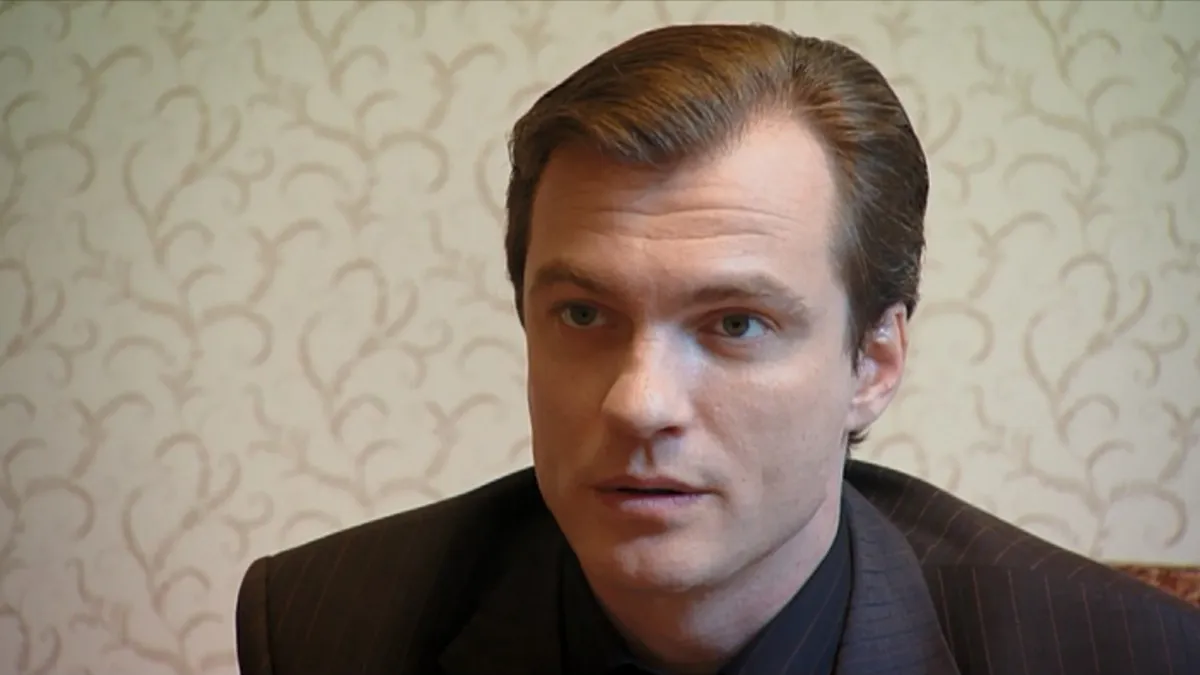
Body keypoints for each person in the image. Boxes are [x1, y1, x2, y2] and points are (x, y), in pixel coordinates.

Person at [234, 23, 1199, 675]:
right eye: (583, 314)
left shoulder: (1122, 653)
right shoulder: (329, 626)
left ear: (873, 364)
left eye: (735, 323)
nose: (638, 403)